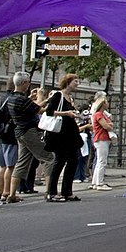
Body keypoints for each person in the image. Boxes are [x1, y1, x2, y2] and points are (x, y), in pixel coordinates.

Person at [7, 72, 54, 204]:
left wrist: (33, 98)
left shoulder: (13, 98)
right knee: (49, 158)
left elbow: (31, 106)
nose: (28, 85)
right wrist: (42, 98)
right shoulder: (22, 100)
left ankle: (12, 194)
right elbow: (38, 109)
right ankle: (50, 192)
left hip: (20, 132)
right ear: (24, 84)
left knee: (22, 162)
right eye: (27, 82)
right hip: (29, 132)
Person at [44, 74, 85, 202]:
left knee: (73, 160)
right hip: (60, 135)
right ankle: (51, 192)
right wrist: (66, 113)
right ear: (68, 82)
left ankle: (67, 191)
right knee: (60, 161)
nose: (77, 83)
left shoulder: (69, 98)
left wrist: (77, 116)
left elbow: (70, 114)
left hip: (71, 134)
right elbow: (49, 111)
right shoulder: (58, 95)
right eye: (75, 81)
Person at [0, 79, 18, 203]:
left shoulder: (3, 97)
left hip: (0, 134)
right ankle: (6, 192)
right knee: (10, 166)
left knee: (2, 165)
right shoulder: (13, 99)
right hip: (10, 135)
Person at [89, 94, 114, 191]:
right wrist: (109, 125)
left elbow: (109, 123)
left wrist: (109, 124)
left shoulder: (102, 114)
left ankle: (95, 182)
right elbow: (106, 126)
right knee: (102, 161)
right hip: (101, 138)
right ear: (103, 104)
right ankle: (99, 183)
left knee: (100, 160)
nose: (107, 103)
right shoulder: (98, 114)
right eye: (106, 102)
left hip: (103, 139)